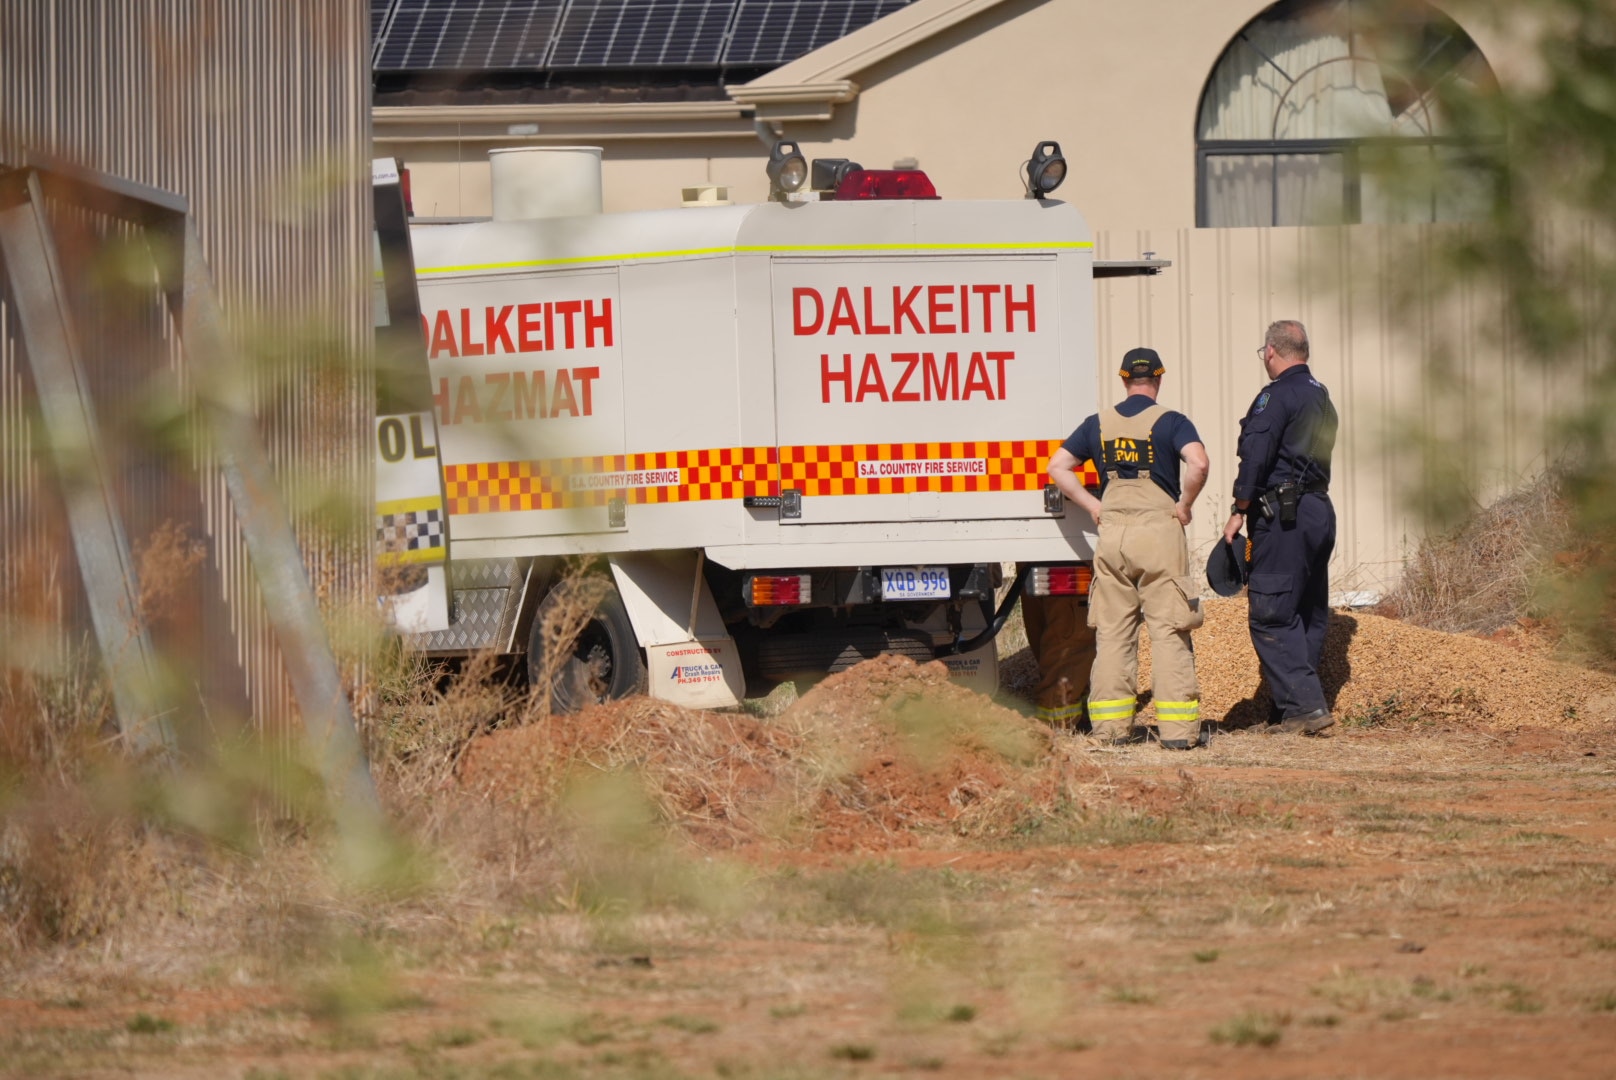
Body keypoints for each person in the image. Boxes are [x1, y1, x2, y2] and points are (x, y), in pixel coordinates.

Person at [1048, 347, 1209, 748]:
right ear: (1158, 379)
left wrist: (1094, 506)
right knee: (1170, 632)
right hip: (1159, 533)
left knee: (1114, 634)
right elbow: (1199, 464)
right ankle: (1177, 734)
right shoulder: (1172, 422)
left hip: (1113, 536)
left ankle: (1110, 731)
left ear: (1124, 380)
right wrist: (1185, 505)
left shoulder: (1097, 424)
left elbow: (1058, 467)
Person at [1221, 320, 1339, 735]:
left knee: (1271, 612)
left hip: (1282, 516)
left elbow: (1256, 455)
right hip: (1318, 511)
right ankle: (1293, 711)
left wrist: (1240, 507)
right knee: (1306, 611)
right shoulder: (1322, 397)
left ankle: (1305, 709)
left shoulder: (1274, 397)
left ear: (1271, 351)